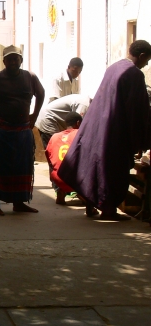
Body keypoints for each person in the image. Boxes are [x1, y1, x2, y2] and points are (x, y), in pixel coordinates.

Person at [58, 40, 151, 220]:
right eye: (146, 61)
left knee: (94, 166)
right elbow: (136, 109)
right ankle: (109, 210)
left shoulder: (114, 67)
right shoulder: (134, 74)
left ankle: (90, 205)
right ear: (141, 56)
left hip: (97, 125)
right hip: (115, 131)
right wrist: (140, 139)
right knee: (113, 171)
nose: (146, 65)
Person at [0, 45, 45, 216]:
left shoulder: (30, 77)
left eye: (16, 59)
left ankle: (19, 202)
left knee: (23, 167)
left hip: (23, 130)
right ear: (4, 61)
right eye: (9, 59)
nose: (13, 62)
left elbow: (41, 94)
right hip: (2, 129)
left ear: (21, 60)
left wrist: (35, 115)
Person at [45, 116, 82, 205]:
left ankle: (60, 193)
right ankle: (86, 200)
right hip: (74, 179)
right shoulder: (80, 134)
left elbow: (48, 156)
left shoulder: (55, 136)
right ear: (78, 123)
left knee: (60, 166)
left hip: (57, 177)